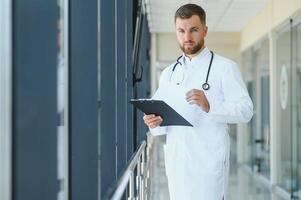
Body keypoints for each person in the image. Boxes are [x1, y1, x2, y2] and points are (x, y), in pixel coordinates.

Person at [143, 3, 253, 200]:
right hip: (178, 166)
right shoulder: (169, 73)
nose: (187, 37)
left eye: (193, 30)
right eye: (181, 31)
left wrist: (210, 106)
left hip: (209, 167)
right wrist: (153, 123)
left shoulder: (225, 68)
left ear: (205, 30)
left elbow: (246, 110)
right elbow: (160, 124)